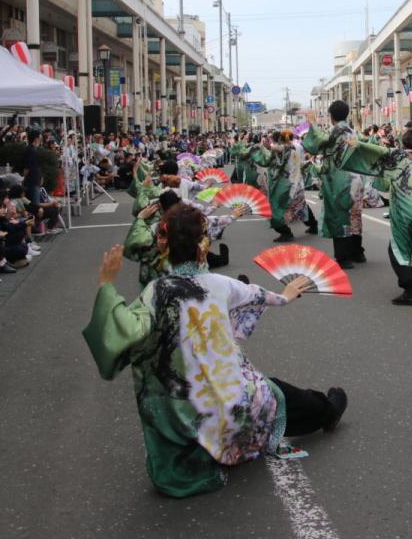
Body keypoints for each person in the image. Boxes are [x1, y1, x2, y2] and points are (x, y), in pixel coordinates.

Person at [82, 207, 348, 499]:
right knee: (272, 392)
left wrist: (106, 285)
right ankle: (327, 410)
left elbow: (121, 332)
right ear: (203, 245)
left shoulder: (155, 292)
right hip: (230, 406)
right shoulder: (220, 284)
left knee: (241, 391)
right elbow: (259, 295)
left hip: (180, 414)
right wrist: (285, 297)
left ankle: (196, 451)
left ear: (163, 245)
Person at [339, 126, 412, 306]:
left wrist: (358, 144)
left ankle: (411, 290)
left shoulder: (398, 156)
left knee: (398, 249)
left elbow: (378, 152)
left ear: (403, 142)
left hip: (407, 208)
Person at [302, 101, 365, 268]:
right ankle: (357, 252)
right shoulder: (351, 130)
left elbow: (320, 143)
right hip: (355, 178)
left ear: (331, 116)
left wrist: (312, 123)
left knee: (339, 216)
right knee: (354, 216)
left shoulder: (338, 130)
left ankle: (344, 257)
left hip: (341, 180)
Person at [250, 131, 317, 242]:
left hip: (283, 186)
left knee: (275, 209)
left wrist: (261, 148)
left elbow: (265, 161)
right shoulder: (295, 147)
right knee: (300, 206)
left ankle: (285, 232)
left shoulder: (280, 150)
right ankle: (313, 225)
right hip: (296, 183)